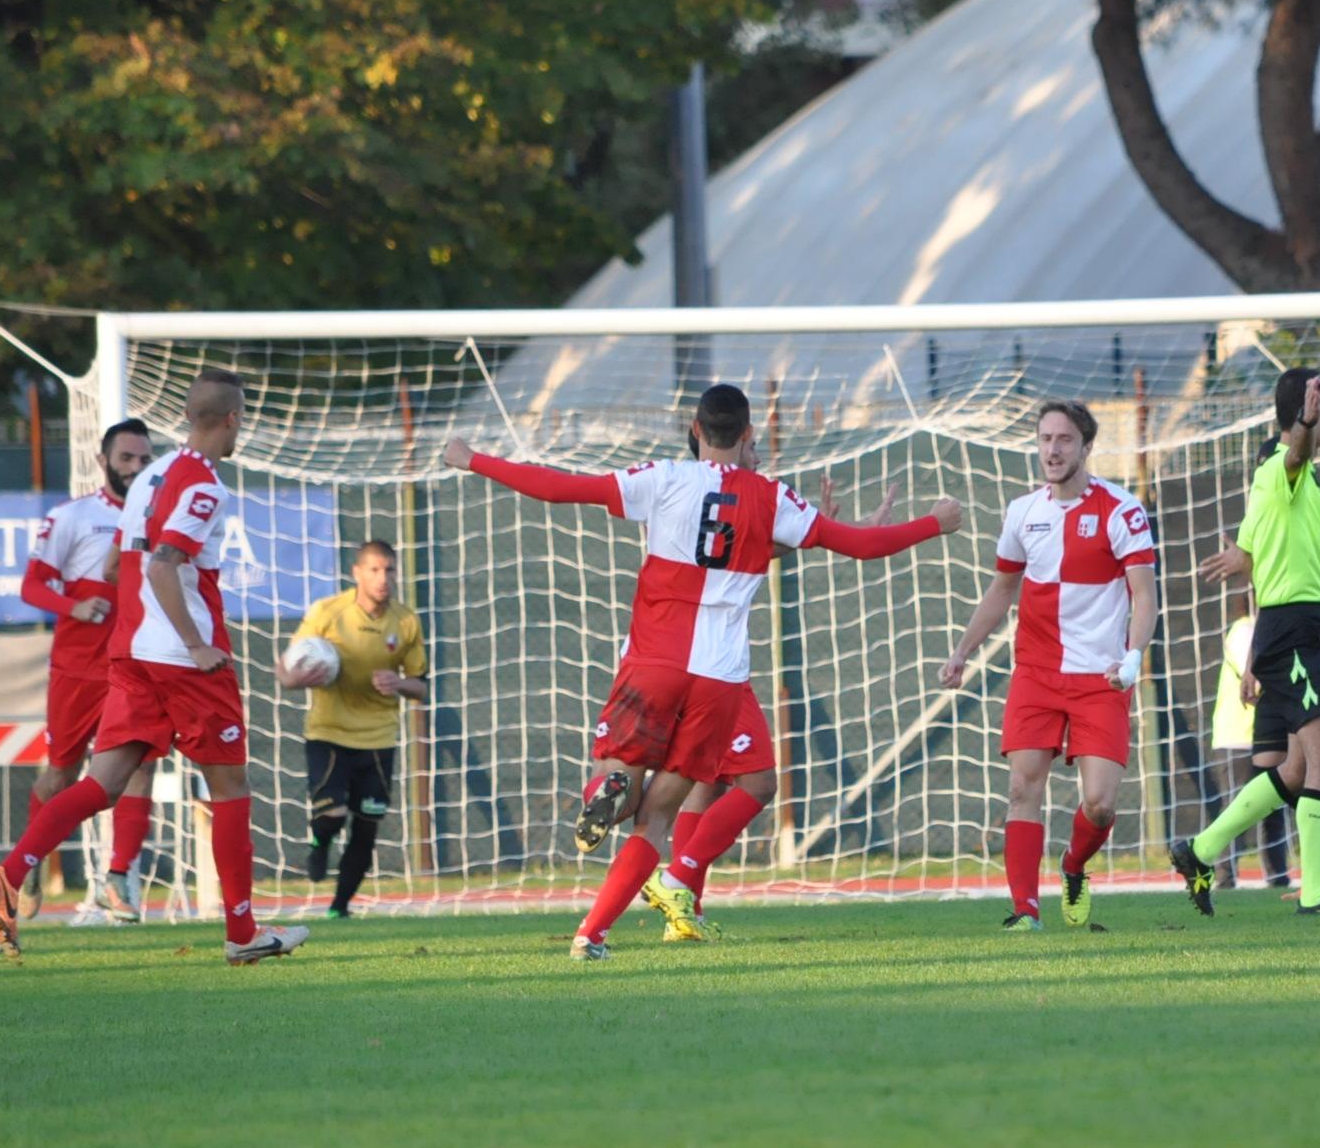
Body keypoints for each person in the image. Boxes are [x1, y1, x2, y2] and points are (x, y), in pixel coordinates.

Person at [446, 383, 961, 960]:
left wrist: (474, 460)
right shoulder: (773, 497)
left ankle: (605, 798)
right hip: (717, 678)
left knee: (620, 777)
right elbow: (860, 546)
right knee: (660, 815)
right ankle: (590, 935)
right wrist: (934, 523)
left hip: (653, 662)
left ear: (695, 429)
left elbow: (563, 487)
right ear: (746, 435)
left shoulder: (662, 478)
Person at [0, 370, 310, 964]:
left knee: (100, 785)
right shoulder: (205, 485)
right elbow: (162, 564)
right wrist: (196, 642)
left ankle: (10, 872)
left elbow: (114, 567)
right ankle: (242, 934)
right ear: (231, 420)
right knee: (230, 788)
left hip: (128, 656)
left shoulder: (149, 477)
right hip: (184, 662)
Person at [647, 447, 899, 934]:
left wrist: (829, 525)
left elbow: (758, 544)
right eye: (753, 443)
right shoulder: (703, 495)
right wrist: (918, 523)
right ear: (730, 440)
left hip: (685, 662)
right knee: (759, 783)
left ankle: (683, 913)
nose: (759, 453)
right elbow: (763, 543)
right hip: (707, 668)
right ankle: (675, 878)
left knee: (705, 782)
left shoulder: (696, 497)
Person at [940, 401, 1159, 931]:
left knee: (1101, 804)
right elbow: (1003, 588)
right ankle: (1024, 910)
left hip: (1101, 677)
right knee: (1022, 787)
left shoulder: (1122, 510)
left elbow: (1144, 595)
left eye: (1064, 439)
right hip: (1036, 671)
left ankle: (1073, 865)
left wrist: (1132, 659)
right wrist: (962, 651)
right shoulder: (1023, 513)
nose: (1053, 450)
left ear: (1086, 447)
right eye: (1045, 439)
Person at [1178, 367, 1320, 918]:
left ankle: (1202, 850)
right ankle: (1317, 895)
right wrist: (1304, 420)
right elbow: (1297, 454)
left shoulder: (1279, 486)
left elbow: (1256, 567)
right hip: (1296, 629)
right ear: (1304, 410)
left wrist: (1257, 655)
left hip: (1293, 629)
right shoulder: (1286, 469)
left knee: (1300, 768)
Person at [16, 419, 157, 922]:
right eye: (127, 459)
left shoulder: (159, 517)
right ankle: (30, 861)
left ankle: (119, 877)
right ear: (103, 462)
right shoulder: (73, 517)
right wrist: (73, 607)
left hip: (136, 668)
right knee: (61, 774)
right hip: (78, 670)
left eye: (144, 459)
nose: (136, 468)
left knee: (141, 766)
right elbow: (31, 587)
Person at [276, 540, 428, 919]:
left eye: (389, 569)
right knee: (332, 814)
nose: (383, 578)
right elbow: (287, 664)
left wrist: (399, 683)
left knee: (367, 827)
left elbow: (421, 685)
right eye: (374, 570)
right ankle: (319, 841)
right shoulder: (328, 612)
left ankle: (339, 909)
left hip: (378, 738)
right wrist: (293, 680)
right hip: (328, 732)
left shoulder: (406, 621)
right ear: (356, 573)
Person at [1204, 590, 1266, 888]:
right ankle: (1224, 876)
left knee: (1272, 806)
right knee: (1235, 809)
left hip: (1265, 734)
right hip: (1237, 736)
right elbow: (1254, 679)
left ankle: (1278, 875)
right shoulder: (1244, 631)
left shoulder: (1263, 630)